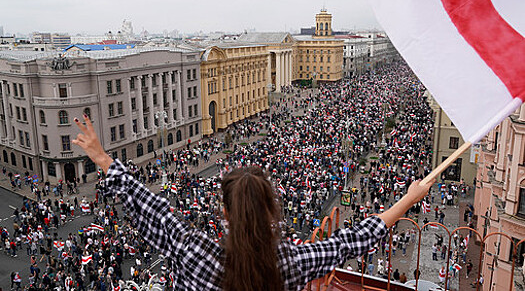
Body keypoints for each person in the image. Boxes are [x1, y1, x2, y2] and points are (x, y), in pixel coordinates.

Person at [72, 114, 434, 291]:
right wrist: (408, 198)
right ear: (271, 209)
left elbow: (149, 205)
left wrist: (103, 158)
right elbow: (352, 240)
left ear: (224, 211)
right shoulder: (290, 261)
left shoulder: (193, 249)